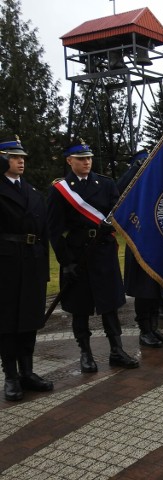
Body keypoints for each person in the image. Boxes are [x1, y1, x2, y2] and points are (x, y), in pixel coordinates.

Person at [47, 140, 139, 372]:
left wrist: (112, 225)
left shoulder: (106, 184)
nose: (87, 162)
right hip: (78, 254)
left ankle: (117, 350)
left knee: (110, 304)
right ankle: (85, 353)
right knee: (80, 308)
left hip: (103, 252)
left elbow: (117, 211)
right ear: (70, 161)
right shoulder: (60, 190)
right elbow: (55, 230)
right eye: (81, 159)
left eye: (88, 158)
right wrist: (66, 262)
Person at [0, 138, 53, 401]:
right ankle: (10, 375)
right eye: (13, 156)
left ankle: (28, 372)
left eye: (22, 157)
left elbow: (44, 234)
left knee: (29, 322)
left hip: (31, 263)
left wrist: (44, 271)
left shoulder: (33, 192)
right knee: (7, 323)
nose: (20, 161)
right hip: (6, 265)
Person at [118, 150, 163, 347]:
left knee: (157, 289)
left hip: (158, 244)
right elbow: (119, 190)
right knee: (144, 290)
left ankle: (154, 327)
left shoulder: (156, 187)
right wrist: (135, 169)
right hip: (139, 244)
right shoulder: (133, 190)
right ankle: (144, 330)